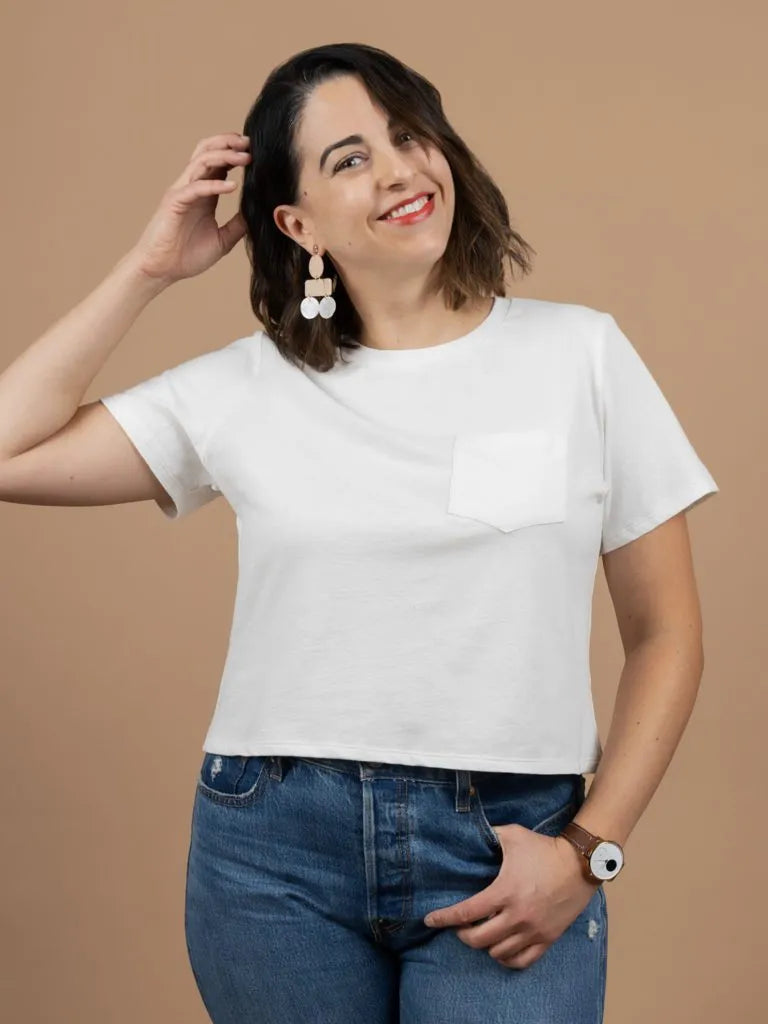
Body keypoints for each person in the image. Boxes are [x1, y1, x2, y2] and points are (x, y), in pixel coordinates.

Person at [0, 42, 719, 1024]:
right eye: (350, 158)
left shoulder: (581, 354)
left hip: (509, 843)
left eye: (410, 136)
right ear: (295, 223)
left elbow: (667, 633)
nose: (398, 170)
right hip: (272, 853)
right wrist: (148, 269)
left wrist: (590, 849)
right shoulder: (247, 386)